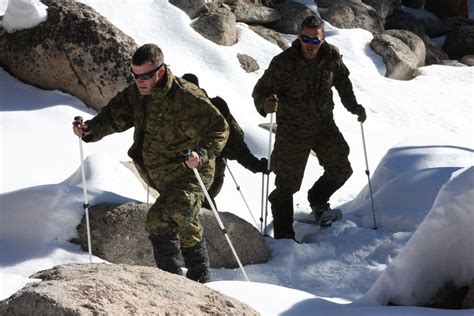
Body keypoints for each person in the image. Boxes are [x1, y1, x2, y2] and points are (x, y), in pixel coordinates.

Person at [72, 43, 229, 283]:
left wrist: (201, 154)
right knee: (186, 221)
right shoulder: (136, 94)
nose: (139, 81)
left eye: (145, 76)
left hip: (191, 172)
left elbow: (220, 129)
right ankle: (201, 276)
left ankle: (171, 282)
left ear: (161, 71)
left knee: (159, 220)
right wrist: (89, 129)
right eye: (134, 76)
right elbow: (114, 116)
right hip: (160, 174)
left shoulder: (185, 96)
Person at [252, 15, 367, 240]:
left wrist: (354, 106)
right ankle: (284, 236)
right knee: (286, 185)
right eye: (306, 39)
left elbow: (343, 82)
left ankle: (318, 200)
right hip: (292, 130)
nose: (310, 44)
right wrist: (266, 104)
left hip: (323, 125)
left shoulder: (331, 56)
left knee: (341, 168)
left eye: (315, 40)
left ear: (322, 39)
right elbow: (260, 90)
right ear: (299, 37)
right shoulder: (284, 62)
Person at [181, 73, 269, 210]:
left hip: (210, 170)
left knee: (201, 196)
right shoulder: (175, 113)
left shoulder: (217, 112)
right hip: (191, 170)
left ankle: (210, 227)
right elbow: (236, 144)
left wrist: (255, 165)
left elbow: (235, 143)